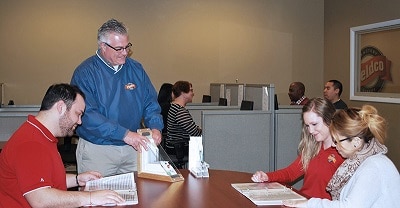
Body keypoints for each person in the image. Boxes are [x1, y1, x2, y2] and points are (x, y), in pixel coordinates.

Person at [0, 84, 125, 207]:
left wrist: (77, 179)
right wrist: (90, 198)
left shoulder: (42, 135)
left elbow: (45, 180)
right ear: (61, 107)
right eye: (78, 113)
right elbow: (41, 200)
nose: (80, 121)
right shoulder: (31, 143)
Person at [70, 19, 163, 177]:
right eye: (119, 48)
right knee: (97, 198)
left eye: (127, 47)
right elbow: (87, 115)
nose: (125, 53)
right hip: (98, 150)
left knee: (140, 197)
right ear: (103, 46)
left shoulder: (136, 69)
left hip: (134, 148)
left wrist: (155, 127)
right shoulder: (85, 73)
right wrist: (124, 134)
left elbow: (150, 103)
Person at [284, 105, 400, 207]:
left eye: (337, 141)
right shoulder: (360, 162)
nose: (335, 145)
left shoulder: (374, 166)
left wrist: (308, 204)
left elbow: (349, 206)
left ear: (356, 142)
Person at [251, 98, 344, 199]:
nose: (311, 131)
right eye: (307, 126)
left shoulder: (344, 152)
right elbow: (291, 173)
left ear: (329, 120)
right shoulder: (312, 147)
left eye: (314, 124)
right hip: (303, 202)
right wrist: (267, 176)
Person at [166, 81, 202, 155]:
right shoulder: (180, 111)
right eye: (191, 90)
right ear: (183, 93)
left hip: (175, 147)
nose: (193, 93)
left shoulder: (174, 107)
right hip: (180, 148)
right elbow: (195, 133)